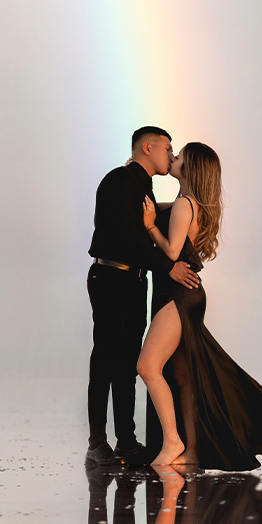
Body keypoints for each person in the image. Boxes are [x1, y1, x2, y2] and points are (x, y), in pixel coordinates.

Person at [137, 142, 262, 470]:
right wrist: (146, 211)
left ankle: (172, 441)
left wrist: (151, 225)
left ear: (191, 169)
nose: (174, 158)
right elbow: (166, 216)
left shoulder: (183, 205)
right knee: (182, 376)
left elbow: (170, 251)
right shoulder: (190, 205)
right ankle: (192, 453)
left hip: (178, 295)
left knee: (148, 366)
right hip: (188, 295)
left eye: (180, 157)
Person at [87, 127, 200, 466]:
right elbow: (131, 238)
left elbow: (156, 225)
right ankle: (97, 444)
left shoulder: (144, 187)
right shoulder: (120, 180)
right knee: (105, 359)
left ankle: (127, 442)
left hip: (135, 281)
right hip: (110, 276)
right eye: (167, 148)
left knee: (127, 365)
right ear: (147, 148)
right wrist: (170, 267)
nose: (171, 154)